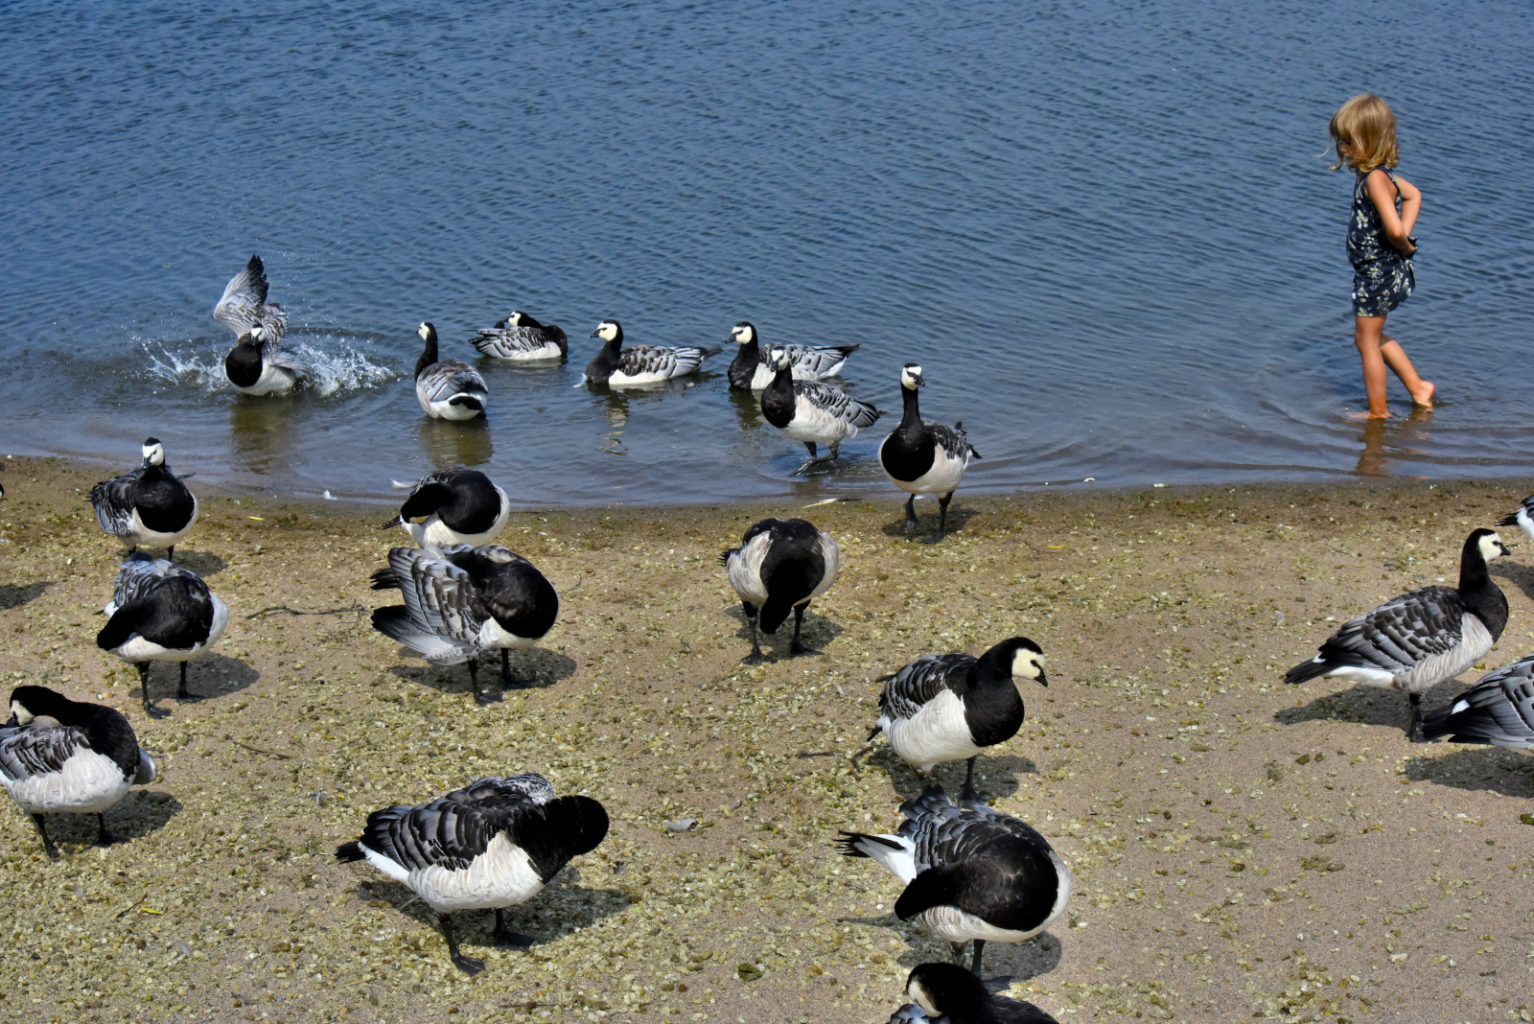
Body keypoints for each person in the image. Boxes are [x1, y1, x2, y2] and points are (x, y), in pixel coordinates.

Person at [1328, 93, 1434, 418]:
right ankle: (1418, 387)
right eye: (1340, 141)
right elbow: (1414, 195)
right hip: (1377, 272)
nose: (1342, 149)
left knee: (1366, 342)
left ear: (1370, 141)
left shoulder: (1375, 180)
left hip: (1378, 274)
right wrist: (1401, 240)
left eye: (1348, 141)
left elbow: (1395, 230)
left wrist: (1404, 244)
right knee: (1371, 338)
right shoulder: (1377, 175)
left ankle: (1379, 412)